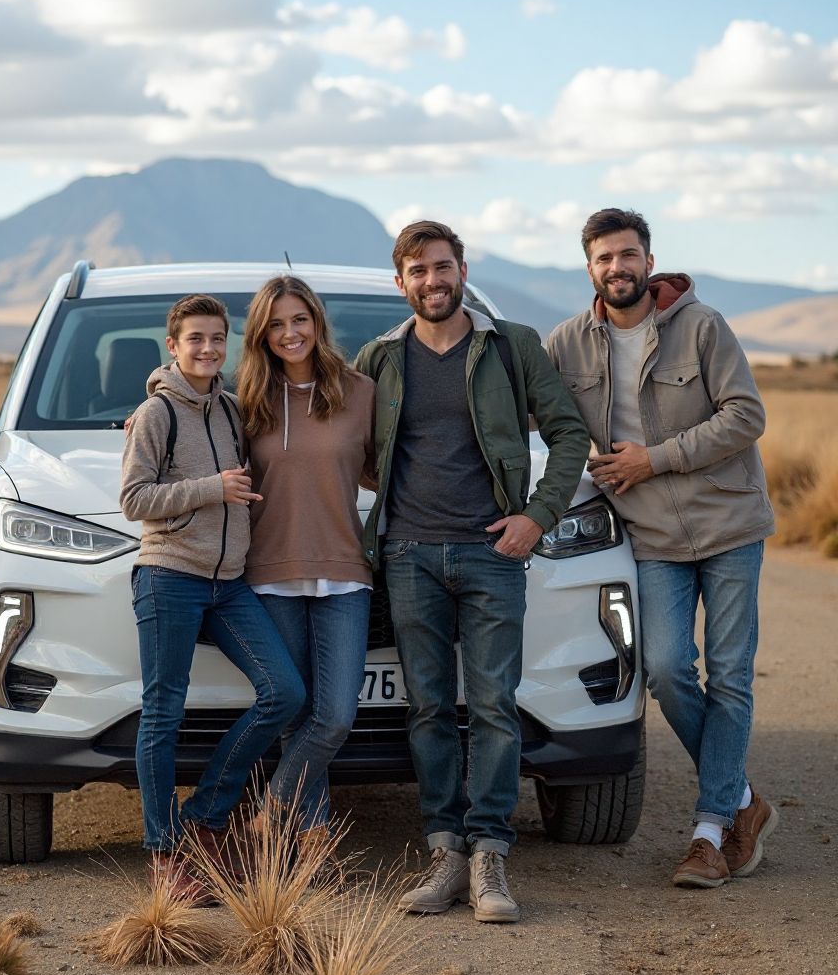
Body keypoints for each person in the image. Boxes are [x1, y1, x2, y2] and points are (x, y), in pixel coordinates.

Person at [355, 221, 589, 923]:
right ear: (402, 283)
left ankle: (490, 855)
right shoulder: (379, 358)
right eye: (419, 272)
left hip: (494, 554)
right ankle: (445, 855)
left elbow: (569, 431)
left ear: (462, 269)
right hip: (407, 556)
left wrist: (537, 516)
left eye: (443, 267)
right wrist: (163, 393)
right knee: (427, 708)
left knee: (492, 706)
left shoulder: (510, 346)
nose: (433, 281)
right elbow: (319, 421)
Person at [546, 208, 778, 889]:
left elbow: (747, 415)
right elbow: (525, 412)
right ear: (589, 269)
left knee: (731, 676)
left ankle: (709, 832)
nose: (616, 267)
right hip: (651, 539)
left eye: (627, 254)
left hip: (730, 525)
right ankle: (743, 801)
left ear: (648, 260)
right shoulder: (567, 345)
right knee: (669, 670)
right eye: (603, 258)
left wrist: (657, 460)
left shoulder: (702, 327)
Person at [120, 293, 305, 901]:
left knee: (284, 691)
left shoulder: (230, 409)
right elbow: (135, 501)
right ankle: (163, 851)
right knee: (163, 712)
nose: (207, 349)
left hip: (229, 584)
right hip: (170, 575)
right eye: (194, 339)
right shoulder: (155, 414)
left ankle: (203, 813)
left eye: (217, 338)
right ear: (172, 347)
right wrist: (210, 488)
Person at [236, 275, 375, 873]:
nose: (289, 333)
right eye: (276, 324)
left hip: (345, 569)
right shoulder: (244, 401)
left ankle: (270, 809)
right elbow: (184, 413)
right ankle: (315, 841)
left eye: (299, 320)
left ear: (317, 323)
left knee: (336, 714)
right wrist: (149, 404)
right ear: (261, 335)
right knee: (297, 714)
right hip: (269, 573)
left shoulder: (361, 392)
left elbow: (396, 463)